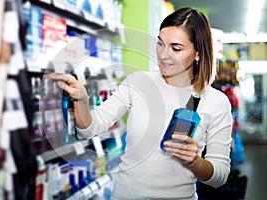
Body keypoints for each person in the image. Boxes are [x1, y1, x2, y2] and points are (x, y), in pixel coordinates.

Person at [45, 7, 233, 200]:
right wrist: (83, 102)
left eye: (176, 48)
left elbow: (219, 175)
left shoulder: (216, 102)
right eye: (160, 44)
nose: (163, 55)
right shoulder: (139, 82)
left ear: (198, 54)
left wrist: (194, 161)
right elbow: (91, 128)